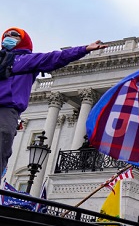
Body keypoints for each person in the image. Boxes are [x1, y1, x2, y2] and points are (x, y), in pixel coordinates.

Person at [0, 28, 107, 177]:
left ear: (23, 40)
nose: (8, 37)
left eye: (13, 35)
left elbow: (56, 57)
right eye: (5, 35)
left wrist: (84, 49)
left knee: (2, 138)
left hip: (6, 108)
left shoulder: (26, 60)